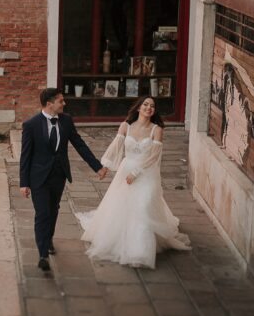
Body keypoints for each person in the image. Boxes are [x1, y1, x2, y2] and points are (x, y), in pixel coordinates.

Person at [77, 96, 191, 268]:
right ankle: (120, 239)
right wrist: (105, 167)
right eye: (145, 104)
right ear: (138, 108)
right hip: (126, 169)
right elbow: (115, 148)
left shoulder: (156, 129)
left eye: (152, 106)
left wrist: (136, 172)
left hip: (146, 172)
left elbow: (154, 156)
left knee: (143, 206)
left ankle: (140, 251)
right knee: (122, 205)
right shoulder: (126, 126)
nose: (148, 108)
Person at [20, 88, 108, 272]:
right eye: (61, 101)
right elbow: (25, 156)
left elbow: (79, 145)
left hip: (59, 175)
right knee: (42, 213)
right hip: (38, 177)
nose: (64, 103)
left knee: (53, 210)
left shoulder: (66, 121)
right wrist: (24, 183)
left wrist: (97, 166)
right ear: (49, 104)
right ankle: (43, 254)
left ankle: (48, 238)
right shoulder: (31, 125)